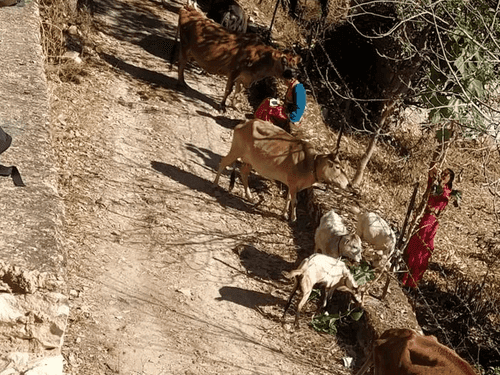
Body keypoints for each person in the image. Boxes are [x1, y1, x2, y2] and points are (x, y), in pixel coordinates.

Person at [401, 165, 455, 289]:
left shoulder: (447, 191)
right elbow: (430, 174)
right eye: (443, 173)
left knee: (422, 249)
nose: (443, 175)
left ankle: (413, 281)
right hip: (424, 217)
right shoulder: (434, 186)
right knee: (415, 246)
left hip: (431, 220)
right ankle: (405, 278)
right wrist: (435, 169)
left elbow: (441, 202)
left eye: (446, 174)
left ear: (450, 179)